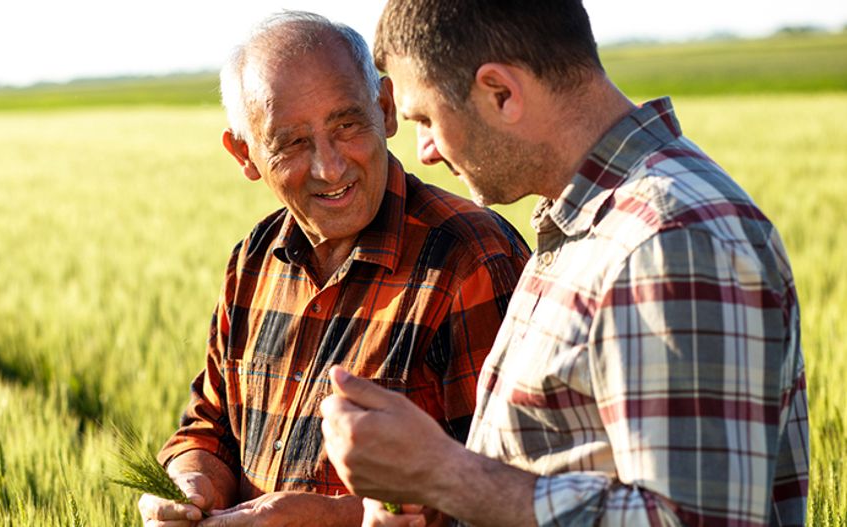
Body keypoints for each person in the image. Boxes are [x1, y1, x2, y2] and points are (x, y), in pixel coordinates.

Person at [320, 1, 810, 526]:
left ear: (500, 93)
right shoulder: (588, 223)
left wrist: (444, 473)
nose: (425, 152)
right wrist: (432, 501)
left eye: (426, 119)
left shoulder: (670, 240)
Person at [138, 11, 531, 527]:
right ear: (245, 154)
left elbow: (514, 494)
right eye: (292, 143)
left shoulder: (471, 260)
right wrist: (192, 485)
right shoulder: (253, 260)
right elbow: (208, 428)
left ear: (386, 110)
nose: (330, 167)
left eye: (347, 125)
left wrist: (322, 518)